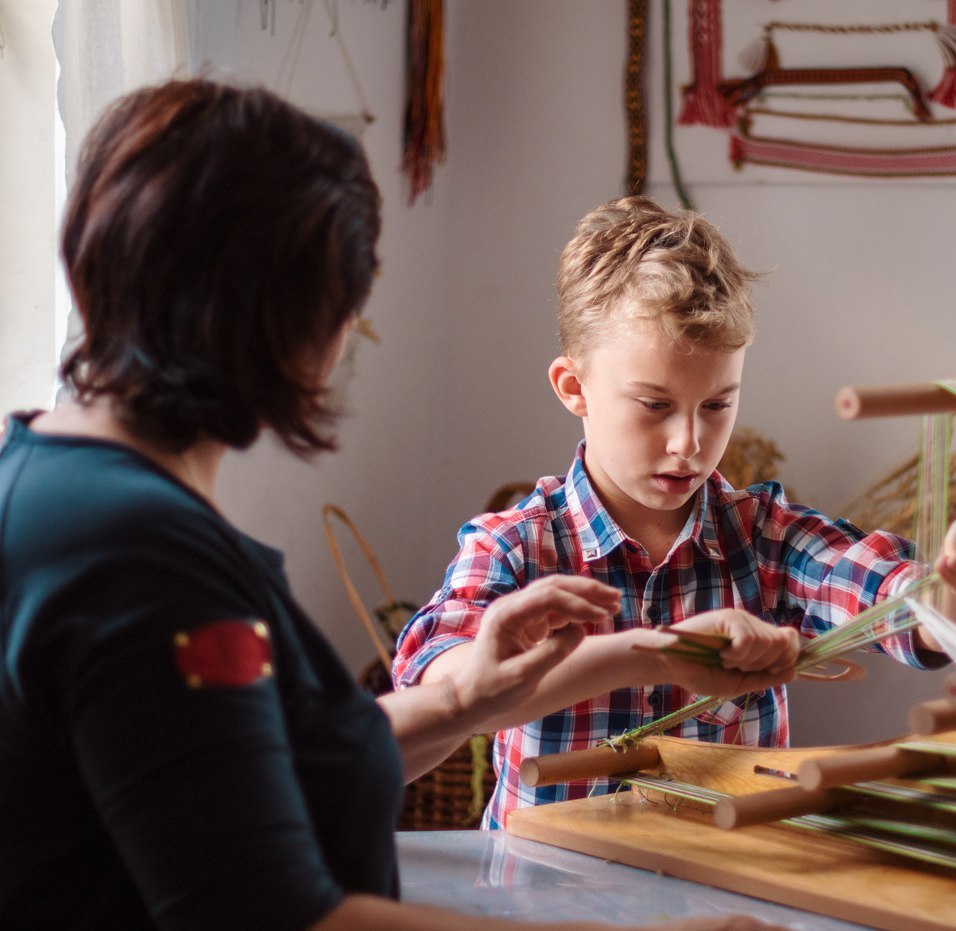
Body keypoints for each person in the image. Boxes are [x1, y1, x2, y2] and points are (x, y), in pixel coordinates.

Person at [0, 81, 781, 931]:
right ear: (285, 318)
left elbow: (242, 777)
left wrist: (469, 698)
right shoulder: (140, 560)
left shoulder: (52, 485)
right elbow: (275, 914)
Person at [392, 196, 956, 829]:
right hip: (545, 900)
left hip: (720, 900)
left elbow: (918, 617)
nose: (688, 442)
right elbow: (440, 689)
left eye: (717, 405)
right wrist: (632, 652)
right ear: (574, 388)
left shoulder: (764, 539)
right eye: (654, 405)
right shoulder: (514, 547)